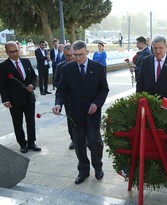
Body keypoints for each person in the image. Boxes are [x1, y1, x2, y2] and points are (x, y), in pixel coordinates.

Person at [52, 40, 109, 184]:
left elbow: (104, 89)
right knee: (78, 143)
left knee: (95, 142)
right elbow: (62, 89)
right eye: (74, 55)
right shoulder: (67, 69)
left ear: (87, 52)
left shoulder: (98, 68)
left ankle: (98, 167)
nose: (77, 58)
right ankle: (83, 170)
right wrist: (58, 104)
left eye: (80, 55)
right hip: (75, 113)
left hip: (93, 112)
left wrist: (96, 103)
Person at [0, 41, 41, 153]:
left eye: (16, 51)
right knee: (18, 124)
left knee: (31, 122)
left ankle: (32, 142)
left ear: (19, 49)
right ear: (7, 52)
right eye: (11, 52)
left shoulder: (26, 61)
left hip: (29, 98)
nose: (15, 54)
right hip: (14, 101)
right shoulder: (3, 66)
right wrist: (5, 99)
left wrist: (32, 85)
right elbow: (2, 85)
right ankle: (23, 144)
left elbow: (33, 76)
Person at [136, 35, 167, 111]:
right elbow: (140, 82)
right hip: (149, 105)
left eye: (160, 48)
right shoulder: (145, 61)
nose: (158, 51)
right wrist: (138, 98)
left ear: (166, 47)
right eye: (155, 48)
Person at [54, 45, 75, 150]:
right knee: (70, 120)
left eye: (72, 55)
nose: (70, 58)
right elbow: (56, 82)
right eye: (67, 56)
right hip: (68, 99)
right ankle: (73, 140)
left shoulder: (80, 65)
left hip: (82, 99)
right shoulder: (60, 66)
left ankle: (86, 139)